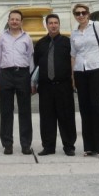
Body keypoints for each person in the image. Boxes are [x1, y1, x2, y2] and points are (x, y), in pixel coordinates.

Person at [70, 3, 99, 158]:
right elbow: (73, 55)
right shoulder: (74, 33)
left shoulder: (97, 26)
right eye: (77, 13)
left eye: (83, 13)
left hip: (96, 69)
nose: (80, 15)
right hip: (80, 72)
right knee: (84, 107)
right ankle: (90, 146)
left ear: (88, 14)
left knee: (96, 105)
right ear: (74, 15)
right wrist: (73, 76)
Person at [32, 12, 77, 156]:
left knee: (66, 117)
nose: (53, 25)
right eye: (50, 23)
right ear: (46, 25)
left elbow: (73, 61)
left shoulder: (67, 42)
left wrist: (73, 81)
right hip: (45, 87)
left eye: (55, 23)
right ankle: (48, 146)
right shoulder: (40, 44)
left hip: (63, 85)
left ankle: (69, 146)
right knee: (46, 118)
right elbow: (36, 63)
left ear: (59, 25)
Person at [0, 9, 34, 155]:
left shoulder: (27, 37)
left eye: (17, 19)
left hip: (23, 75)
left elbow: (31, 60)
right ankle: (7, 144)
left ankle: (26, 144)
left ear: (21, 22)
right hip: (6, 75)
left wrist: (32, 81)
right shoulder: (1, 37)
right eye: (12, 19)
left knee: (25, 111)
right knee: (6, 111)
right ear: (8, 21)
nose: (14, 21)